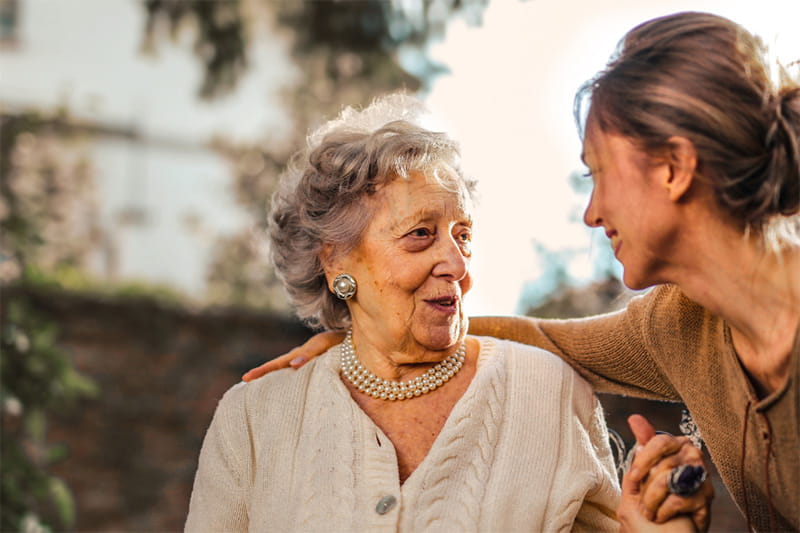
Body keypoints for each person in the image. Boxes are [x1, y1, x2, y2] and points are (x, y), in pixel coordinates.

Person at [242, 11, 799, 533]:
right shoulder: (677, 326)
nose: (593, 212)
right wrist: (369, 328)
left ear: (674, 169)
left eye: (598, 174)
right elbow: (544, 338)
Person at [186, 94, 649, 532]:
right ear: (336, 261)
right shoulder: (253, 418)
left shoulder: (550, 393)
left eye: (462, 234)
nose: (457, 263)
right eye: (421, 234)